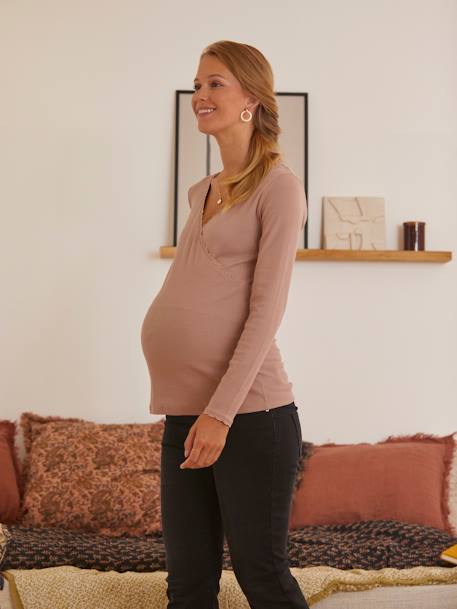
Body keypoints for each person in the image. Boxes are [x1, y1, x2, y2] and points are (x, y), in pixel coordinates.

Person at [141, 39, 310, 609]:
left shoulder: (279, 189)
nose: (200, 95)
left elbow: (267, 311)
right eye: (197, 84)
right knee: (187, 584)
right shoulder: (201, 193)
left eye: (215, 83)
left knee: (261, 575)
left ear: (252, 99)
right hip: (183, 414)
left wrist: (220, 413)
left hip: (249, 415)